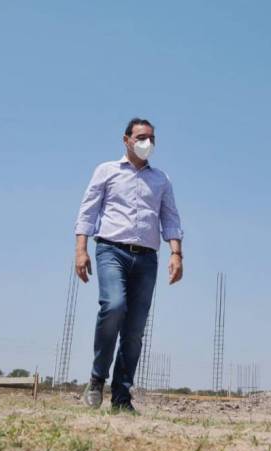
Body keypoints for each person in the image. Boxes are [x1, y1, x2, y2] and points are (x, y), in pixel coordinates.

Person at [74, 117, 184, 412]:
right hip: (111, 250)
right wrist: (81, 250)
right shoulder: (106, 171)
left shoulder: (161, 180)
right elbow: (88, 211)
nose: (146, 143)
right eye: (140, 137)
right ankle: (97, 379)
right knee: (114, 306)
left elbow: (170, 218)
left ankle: (121, 397)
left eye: (151, 138)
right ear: (126, 140)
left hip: (147, 258)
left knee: (135, 330)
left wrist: (176, 254)